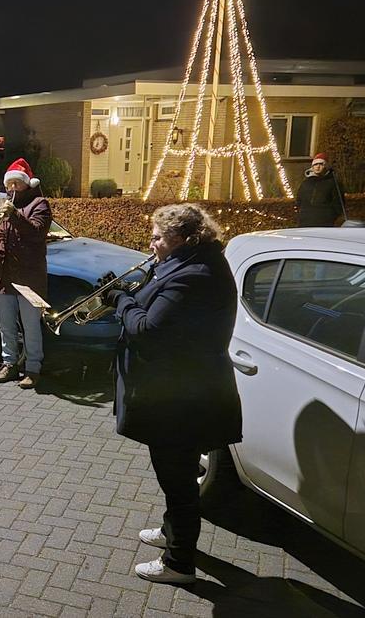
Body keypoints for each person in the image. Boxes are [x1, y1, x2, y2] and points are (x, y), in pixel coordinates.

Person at [105, 203, 242, 585]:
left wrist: (121, 300)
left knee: (178, 481)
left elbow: (148, 329)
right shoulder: (190, 263)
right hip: (181, 389)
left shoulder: (194, 274)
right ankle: (172, 534)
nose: (151, 242)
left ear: (182, 239)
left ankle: (179, 563)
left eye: (158, 237)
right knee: (175, 475)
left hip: (184, 398)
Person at [0, 158, 51, 389]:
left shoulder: (39, 204)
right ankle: (9, 363)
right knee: (5, 324)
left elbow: (36, 232)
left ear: (27, 184)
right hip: (3, 276)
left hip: (28, 278)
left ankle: (33, 367)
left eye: (17, 183)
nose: (12, 188)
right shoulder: (0, 205)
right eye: (9, 184)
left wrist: (13, 214)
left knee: (30, 325)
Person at [296, 152, 347, 227]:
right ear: (312, 167)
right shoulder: (306, 183)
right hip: (305, 222)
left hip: (324, 223)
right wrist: (301, 213)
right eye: (315, 164)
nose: (318, 167)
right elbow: (299, 200)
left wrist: (330, 216)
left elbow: (338, 203)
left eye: (321, 164)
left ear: (325, 166)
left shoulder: (333, 183)